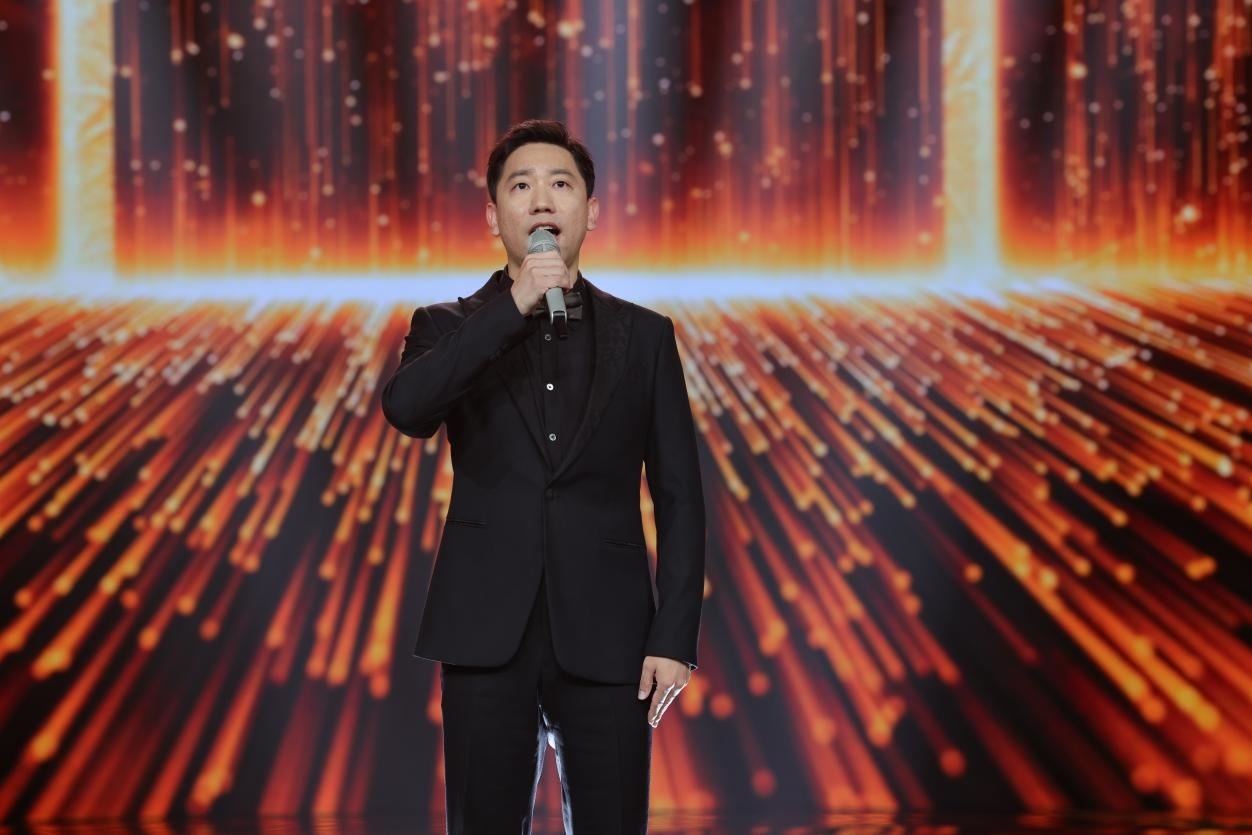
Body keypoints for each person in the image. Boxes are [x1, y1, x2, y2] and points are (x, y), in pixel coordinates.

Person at [380, 119, 706, 833]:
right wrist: (513, 308)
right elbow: (406, 409)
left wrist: (675, 635)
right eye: (520, 186)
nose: (541, 200)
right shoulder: (446, 325)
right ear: (493, 215)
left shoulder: (645, 337)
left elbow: (681, 496)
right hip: (484, 629)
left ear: (592, 210)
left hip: (611, 634)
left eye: (561, 184)